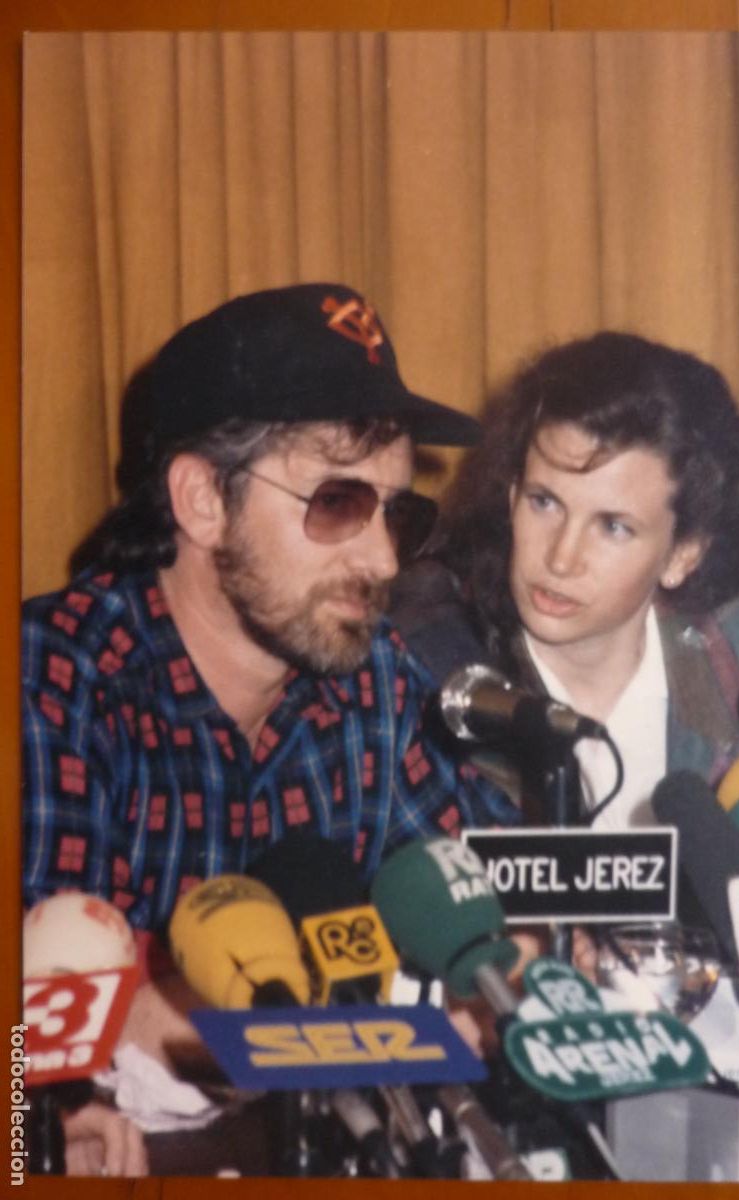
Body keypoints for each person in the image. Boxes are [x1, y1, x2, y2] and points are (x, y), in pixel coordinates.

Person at [21, 282, 521, 1173]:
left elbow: (489, 905)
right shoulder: (53, 683)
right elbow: (46, 1024)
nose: (381, 559)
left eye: (397, 511)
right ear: (202, 500)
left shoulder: (374, 683)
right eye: (337, 502)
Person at [392, 329, 739, 828]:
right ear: (511, 498)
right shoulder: (420, 672)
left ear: (683, 553)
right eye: (544, 502)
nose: (562, 558)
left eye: (613, 527)